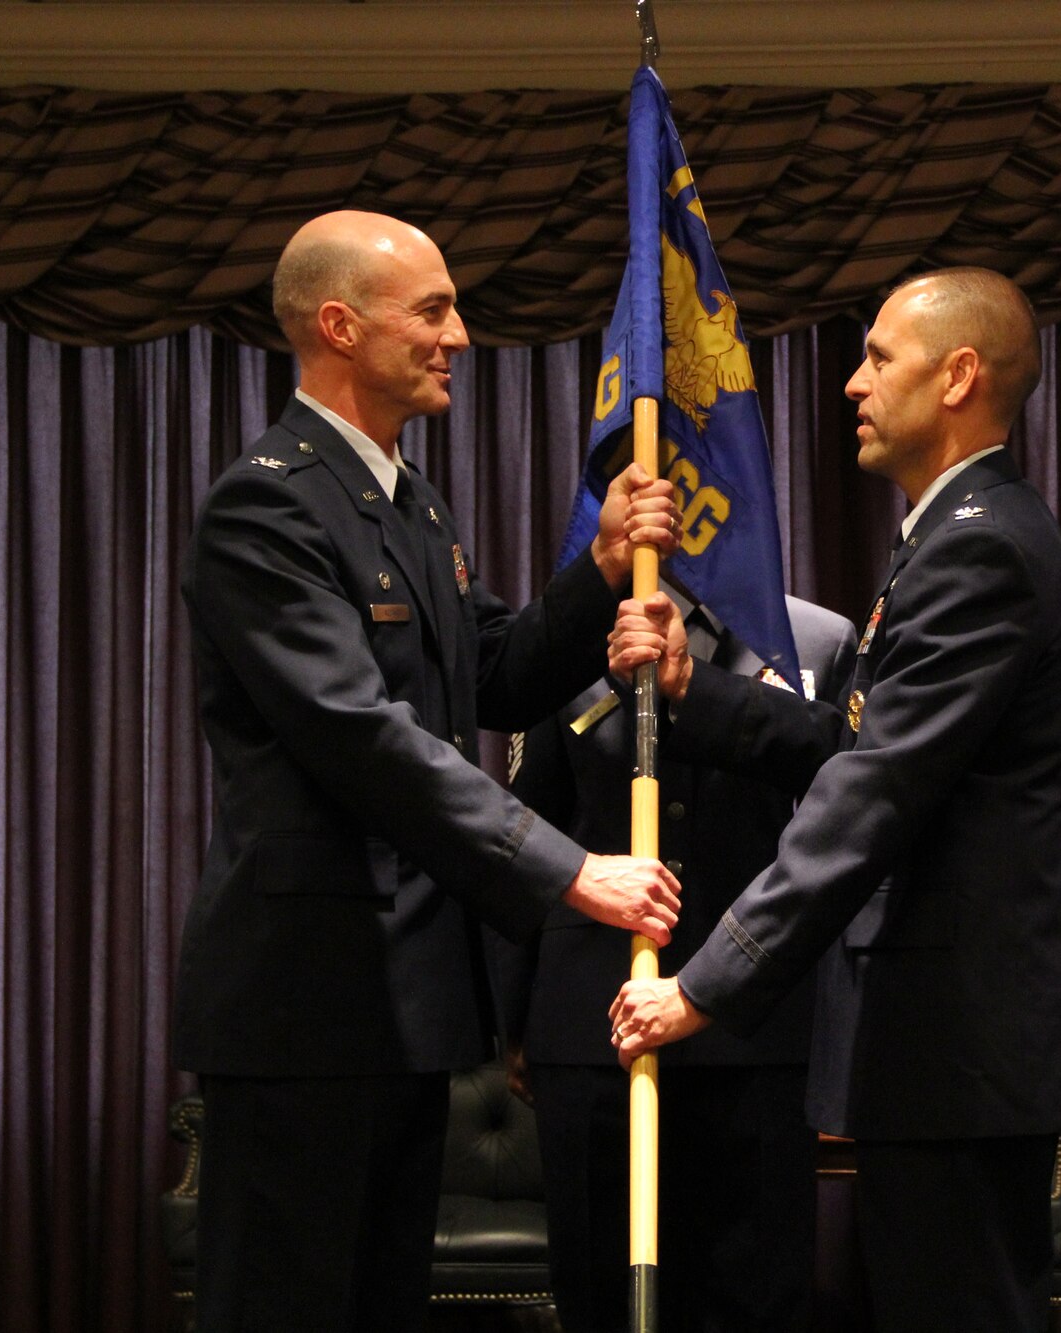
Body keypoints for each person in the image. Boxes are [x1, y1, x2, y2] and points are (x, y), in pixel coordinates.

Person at [174, 209, 685, 1333]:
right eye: (435, 310)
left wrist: (600, 570)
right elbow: (365, 734)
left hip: (396, 1001)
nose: (459, 334)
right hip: (304, 1002)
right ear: (341, 325)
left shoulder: (407, 498)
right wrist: (565, 871)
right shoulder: (268, 501)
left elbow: (489, 676)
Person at [606, 268, 1061, 1332]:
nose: (851, 384)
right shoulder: (950, 532)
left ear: (958, 374)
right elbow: (854, 743)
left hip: (958, 1040)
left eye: (878, 357)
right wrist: (699, 697)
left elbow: (875, 790)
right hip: (940, 1039)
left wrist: (706, 980)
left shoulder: (981, 545)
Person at [499, 583, 855, 1333]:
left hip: (755, 1037)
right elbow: (526, 825)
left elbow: (845, 809)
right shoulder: (565, 640)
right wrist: (513, 1019)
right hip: (596, 1033)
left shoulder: (813, 639)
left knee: (756, 1303)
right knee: (602, 1301)